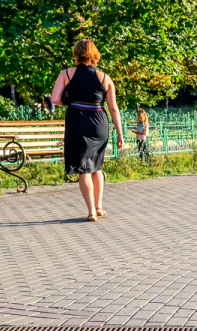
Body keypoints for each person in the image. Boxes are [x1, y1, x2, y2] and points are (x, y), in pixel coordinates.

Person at [51, 39, 124, 221]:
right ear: (95, 54)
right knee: (96, 166)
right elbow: (114, 108)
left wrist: (73, 102)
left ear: (76, 53)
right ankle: (99, 207)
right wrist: (120, 134)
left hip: (76, 120)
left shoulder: (66, 74)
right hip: (99, 121)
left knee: (83, 168)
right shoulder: (105, 78)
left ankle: (91, 212)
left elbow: (55, 99)